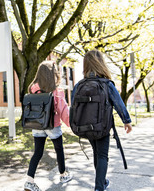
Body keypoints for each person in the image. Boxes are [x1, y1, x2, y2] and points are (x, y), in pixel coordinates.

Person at [71, 50, 132, 191]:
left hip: (85, 126)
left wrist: (73, 123)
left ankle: (102, 182)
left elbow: (73, 106)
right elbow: (119, 103)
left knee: (97, 154)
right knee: (102, 155)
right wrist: (126, 121)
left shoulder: (79, 85)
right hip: (102, 127)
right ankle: (99, 187)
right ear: (101, 64)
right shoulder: (106, 84)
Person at [24, 61, 73, 191]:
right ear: (53, 73)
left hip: (38, 124)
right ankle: (63, 175)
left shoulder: (33, 88)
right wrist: (70, 124)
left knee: (37, 153)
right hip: (53, 125)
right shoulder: (56, 90)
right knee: (59, 150)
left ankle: (29, 181)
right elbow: (63, 110)